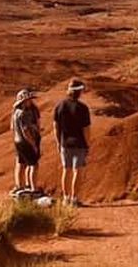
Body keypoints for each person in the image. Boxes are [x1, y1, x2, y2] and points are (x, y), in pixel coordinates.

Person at [53, 78, 91, 206]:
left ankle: (65, 198)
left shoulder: (60, 106)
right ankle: (74, 198)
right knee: (77, 171)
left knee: (66, 170)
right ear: (80, 92)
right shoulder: (83, 108)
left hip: (65, 143)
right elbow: (86, 129)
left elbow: (55, 126)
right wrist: (88, 144)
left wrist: (58, 142)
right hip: (79, 143)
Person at [11, 89, 41, 195]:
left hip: (18, 140)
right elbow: (26, 130)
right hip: (27, 141)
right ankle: (33, 189)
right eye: (28, 100)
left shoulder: (15, 112)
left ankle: (20, 186)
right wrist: (33, 144)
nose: (30, 101)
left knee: (21, 163)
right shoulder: (24, 113)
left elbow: (12, 128)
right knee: (33, 165)